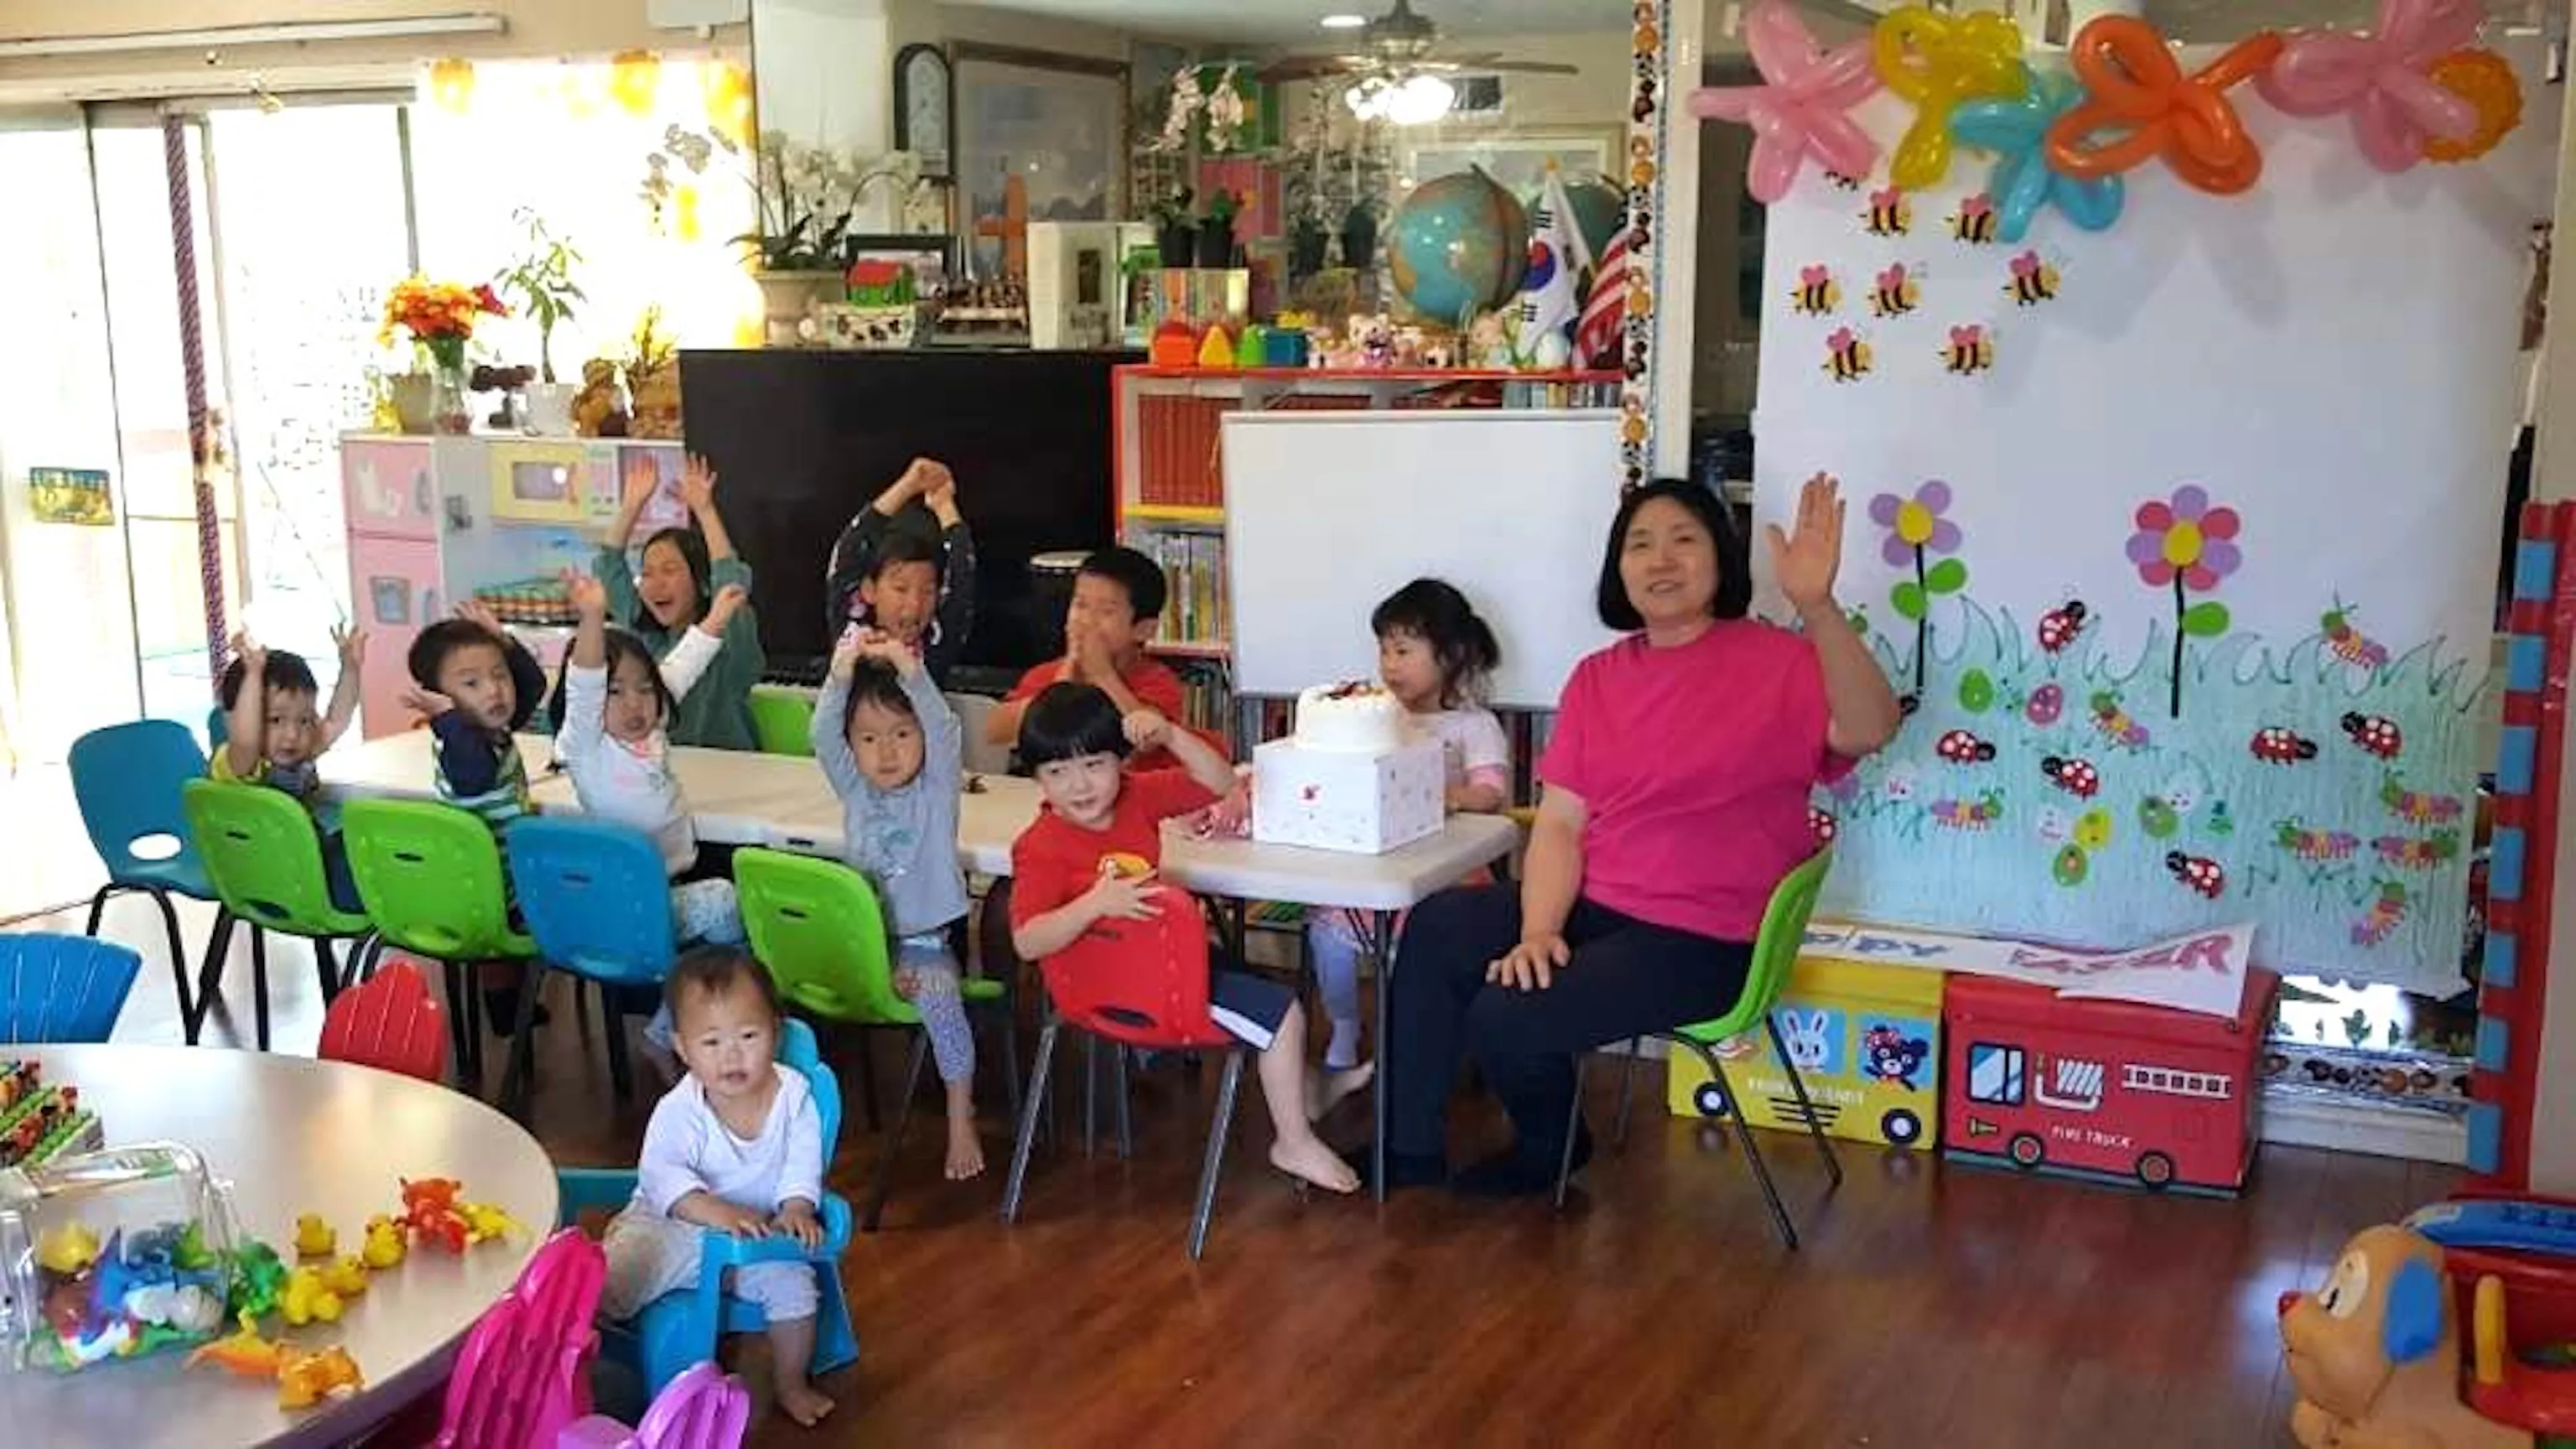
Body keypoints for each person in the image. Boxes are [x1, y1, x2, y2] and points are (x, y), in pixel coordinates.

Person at [1378, 475, 1901, 1197]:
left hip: (1706, 937)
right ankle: (1406, 1150)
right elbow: (1560, 823)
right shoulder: (1598, 679)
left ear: (1720, 557)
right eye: (1640, 544)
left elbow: (1872, 728)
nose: (1661, 560)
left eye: (1684, 540)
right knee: (1439, 927)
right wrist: (1539, 931)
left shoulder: (1782, 661)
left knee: (1508, 1013)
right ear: (1617, 567)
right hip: (1601, 906)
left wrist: (1817, 605)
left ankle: (1551, 1149)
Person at [1008, 682, 1370, 1194]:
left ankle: (1307, 1091)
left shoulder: (1134, 796)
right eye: (1056, 772)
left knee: (1270, 990)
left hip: (1163, 965)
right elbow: (1027, 941)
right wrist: (1093, 904)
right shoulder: (1040, 846)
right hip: (1118, 988)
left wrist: (1170, 735)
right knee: (1283, 1016)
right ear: (1037, 777)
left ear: (1121, 761)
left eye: (1094, 764)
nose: (1079, 785)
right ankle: (1292, 1141)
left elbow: (1220, 782)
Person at [596, 948, 836, 1428]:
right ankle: (577, 1345)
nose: (732, 1055)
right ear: (683, 1049)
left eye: (748, 1036)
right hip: (671, 1225)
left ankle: (791, 1383)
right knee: (616, 1279)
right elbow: (662, 1175)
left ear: (776, 1032)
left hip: (751, 1237)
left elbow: (803, 1159)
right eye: (711, 1042)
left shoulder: (794, 1097)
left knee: (795, 1287)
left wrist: (796, 1205)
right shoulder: (681, 1108)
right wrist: (715, 1211)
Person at [1305, 579, 1510, 1071]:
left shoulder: (1472, 724)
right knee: (1327, 935)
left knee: (1418, 957)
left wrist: (1442, 799)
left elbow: (1490, 792)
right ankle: (1346, 1023)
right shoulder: (1373, 718)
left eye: (1403, 651)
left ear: (1450, 656)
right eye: (1383, 651)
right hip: (1375, 867)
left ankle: (1413, 1039)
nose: (1389, 665)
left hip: (1443, 873)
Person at [549, 570, 751, 1052]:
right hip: (628, 905)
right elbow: (585, 685)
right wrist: (592, 618)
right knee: (730, 905)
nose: (635, 704)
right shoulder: (588, 745)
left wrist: (716, 618)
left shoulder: (652, 725)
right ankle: (708, 1012)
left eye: (644, 689)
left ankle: (675, 1022)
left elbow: (682, 665)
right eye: (616, 692)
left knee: (716, 938)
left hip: (665, 888)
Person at [812, 625, 980, 1180]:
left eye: (902, 734)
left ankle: (960, 1115)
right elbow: (821, 734)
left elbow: (945, 727)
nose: (886, 751)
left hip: (923, 946)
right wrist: (839, 678)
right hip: (863, 946)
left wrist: (912, 670)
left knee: (943, 1005)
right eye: (868, 738)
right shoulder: (854, 789)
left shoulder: (936, 790)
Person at [401, 601, 551, 1024]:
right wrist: (447, 719)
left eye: (500, 675)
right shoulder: (462, 746)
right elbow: (476, 774)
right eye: (472, 683)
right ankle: (505, 1005)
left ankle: (506, 1004)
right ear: (438, 698)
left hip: (500, 875)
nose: (494, 691)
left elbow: (534, 686)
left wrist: (503, 640)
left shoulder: (490, 728)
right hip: (484, 885)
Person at [598, 453, 765, 750]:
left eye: (670, 570)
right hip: (660, 767)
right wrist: (631, 506)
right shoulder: (645, 637)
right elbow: (609, 567)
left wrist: (705, 511)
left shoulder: (727, 638)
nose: (656, 583)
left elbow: (730, 585)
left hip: (728, 769)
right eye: (647, 573)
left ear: (702, 582)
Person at [984, 546, 1192, 771]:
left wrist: (1103, 676)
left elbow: (1147, 741)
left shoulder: (1158, 682)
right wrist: (1065, 677)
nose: (1086, 621)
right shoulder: (1047, 674)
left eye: (1106, 611)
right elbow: (996, 731)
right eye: (1080, 605)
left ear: (1144, 629)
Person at [215, 625, 367, 911]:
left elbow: (337, 720)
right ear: (234, 719)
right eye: (275, 720)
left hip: (310, 867)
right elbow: (246, 739)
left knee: (365, 841)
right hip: (269, 881)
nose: (292, 735)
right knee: (373, 875)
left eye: (304, 720)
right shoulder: (241, 764)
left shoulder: (301, 752)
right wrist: (254, 674)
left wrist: (350, 669)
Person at [822, 457, 978, 681]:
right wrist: (908, 486)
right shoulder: (852, 628)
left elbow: (962, 574)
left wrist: (944, 505)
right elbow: (850, 548)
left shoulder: (937, 643)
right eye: (901, 589)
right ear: (869, 590)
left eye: (928, 591)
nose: (915, 604)